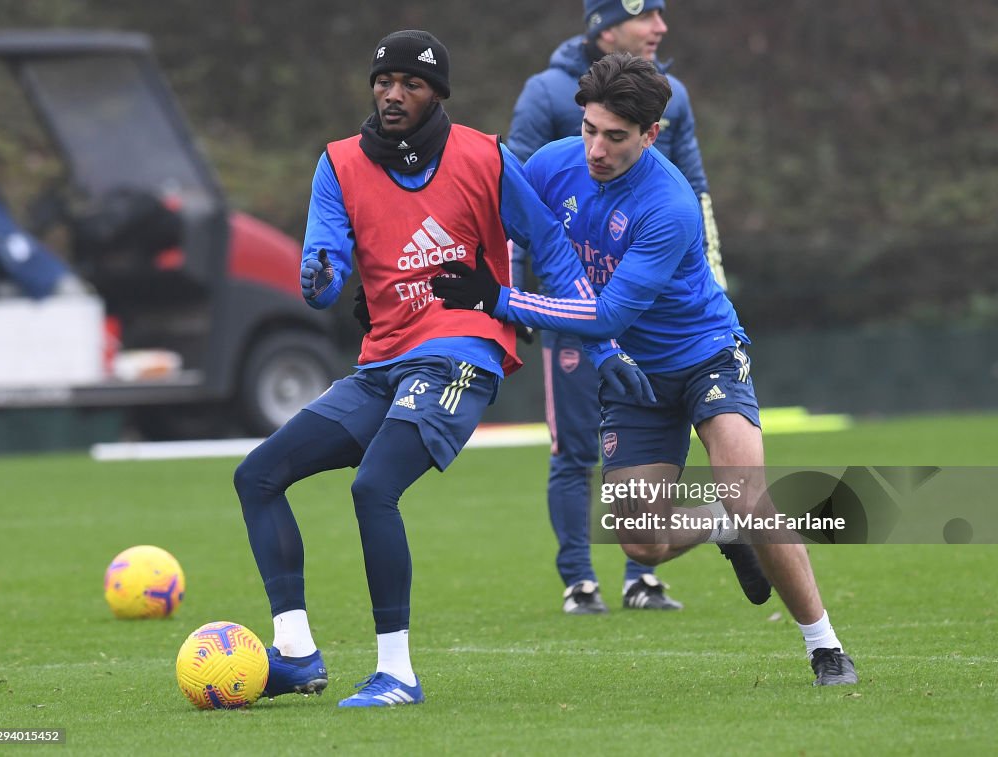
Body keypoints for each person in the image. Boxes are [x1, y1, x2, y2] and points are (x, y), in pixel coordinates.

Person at [233, 30, 655, 709]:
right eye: (384, 81)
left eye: (412, 84)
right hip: (381, 365)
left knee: (374, 488)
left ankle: (396, 673)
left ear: (437, 95)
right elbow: (324, 266)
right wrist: (319, 279)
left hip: (462, 351)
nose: (394, 94)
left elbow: (551, 246)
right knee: (256, 474)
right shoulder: (338, 165)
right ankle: (295, 652)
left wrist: (603, 347)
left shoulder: (482, 156)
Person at [432, 52, 858, 686]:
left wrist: (496, 298)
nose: (596, 149)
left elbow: (602, 315)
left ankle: (825, 648)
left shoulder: (669, 205)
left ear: (651, 134)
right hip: (633, 375)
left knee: (749, 492)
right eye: (589, 129)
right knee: (640, 543)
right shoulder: (553, 164)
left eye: (615, 136)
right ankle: (720, 525)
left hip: (705, 354)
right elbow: (489, 217)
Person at [506, 0, 733, 614]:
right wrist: (517, 293)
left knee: (650, 465)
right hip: (562, 310)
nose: (661, 28)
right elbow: (510, 200)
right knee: (573, 446)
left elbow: (695, 189)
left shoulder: (671, 99)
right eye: (646, 16)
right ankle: (579, 578)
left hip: (645, 312)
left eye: (662, 16)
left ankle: (642, 575)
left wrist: (711, 277)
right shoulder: (547, 92)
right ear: (607, 28)